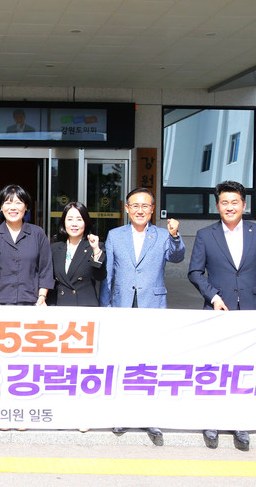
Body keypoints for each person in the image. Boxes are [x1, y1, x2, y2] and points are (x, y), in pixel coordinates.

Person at [188, 180, 256, 449]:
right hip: (218, 310)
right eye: (224, 202)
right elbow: (195, 272)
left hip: (251, 310)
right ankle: (211, 421)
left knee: (244, 367)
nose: (230, 207)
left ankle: (240, 422)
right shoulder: (205, 235)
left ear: (244, 204)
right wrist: (213, 296)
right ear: (217, 206)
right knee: (215, 365)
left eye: (234, 202)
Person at [99, 187, 184, 442]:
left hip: (152, 306)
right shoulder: (115, 235)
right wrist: (106, 308)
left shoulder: (162, 234)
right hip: (122, 306)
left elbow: (177, 257)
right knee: (122, 361)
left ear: (152, 209)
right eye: (134, 205)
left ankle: (151, 418)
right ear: (126, 209)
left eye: (145, 206)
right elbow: (108, 274)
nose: (140, 210)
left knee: (150, 362)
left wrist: (175, 236)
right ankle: (121, 414)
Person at [0, 184, 54, 306]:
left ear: (26, 207)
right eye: (8, 203)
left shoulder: (37, 233)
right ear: (1, 207)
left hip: (30, 300)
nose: (13, 208)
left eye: (18, 203)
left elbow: (46, 269)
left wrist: (42, 296)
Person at [48, 202, 105, 306]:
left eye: (79, 219)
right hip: (60, 305)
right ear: (64, 222)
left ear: (86, 222)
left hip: (84, 307)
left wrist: (96, 250)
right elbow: (49, 280)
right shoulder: (55, 248)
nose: (74, 224)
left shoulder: (95, 246)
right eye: (70, 219)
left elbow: (100, 276)